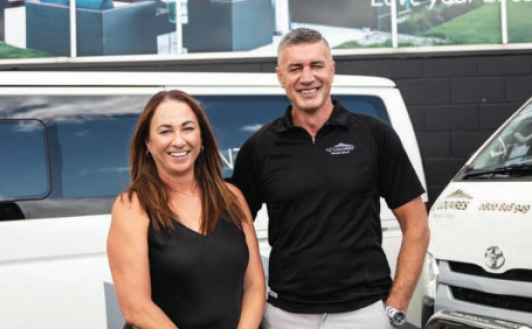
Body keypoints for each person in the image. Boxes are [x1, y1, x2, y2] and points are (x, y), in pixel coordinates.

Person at [232, 28, 430, 328]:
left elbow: (416, 225)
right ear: (280, 77)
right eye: (295, 68)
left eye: (316, 65)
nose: (307, 77)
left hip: (364, 313)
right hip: (286, 315)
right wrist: (255, 302)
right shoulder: (260, 147)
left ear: (332, 70)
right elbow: (234, 232)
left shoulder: (373, 135)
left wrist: (396, 305)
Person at [107, 90, 265, 329]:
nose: (179, 140)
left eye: (188, 128)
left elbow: (254, 285)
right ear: (148, 143)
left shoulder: (232, 197)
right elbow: (135, 308)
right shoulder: (132, 206)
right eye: (165, 131)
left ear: (201, 137)